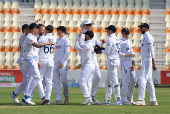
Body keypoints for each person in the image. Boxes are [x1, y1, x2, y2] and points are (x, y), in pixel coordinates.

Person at [22, 23, 54, 106]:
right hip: (29, 59)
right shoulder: (29, 37)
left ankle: (27, 98)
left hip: (33, 60)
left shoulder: (34, 37)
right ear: (34, 29)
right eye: (37, 29)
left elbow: (38, 39)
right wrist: (47, 43)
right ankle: (27, 96)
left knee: (33, 78)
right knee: (37, 77)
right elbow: (37, 45)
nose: (38, 30)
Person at [75, 19, 106, 105]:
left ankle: (91, 96)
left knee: (98, 77)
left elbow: (98, 44)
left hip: (91, 58)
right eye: (87, 25)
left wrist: (102, 43)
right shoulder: (81, 34)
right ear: (84, 26)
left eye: (90, 25)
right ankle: (88, 98)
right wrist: (86, 49)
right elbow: (77, 46)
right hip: (85, 57)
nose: (89, 26)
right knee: (87, 81)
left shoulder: (92, 34)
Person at [132, 23, 158, 106]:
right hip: (145, 60)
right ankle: (153, 100)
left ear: (146, 28)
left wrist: (154, 63)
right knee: (149, 81)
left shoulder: (148, 37)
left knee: (142, 79)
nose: (140, 29)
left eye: (141, 28)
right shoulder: (145, 37)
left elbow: (152, 51)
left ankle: (141, 99)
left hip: (148, 60)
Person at [99, 25, 122, 106]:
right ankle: (107, 100)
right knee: (108, 81)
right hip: (115, 60)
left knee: (114, 81)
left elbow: (107, 52)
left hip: (112, 61)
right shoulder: (116, 39)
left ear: (111, 31)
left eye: (108, 30)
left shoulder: (110, 39)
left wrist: (100, 50)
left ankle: (118, 100)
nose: (106, 31)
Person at [10, 24, 30, 105]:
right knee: (28, 78)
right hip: (23, 59)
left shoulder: (26, 36)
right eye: (29, 29)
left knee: (28, 78)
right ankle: (18, 94)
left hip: (26, 59)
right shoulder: (22, 36)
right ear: (25, 30)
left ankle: (19, 95)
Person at [36, 25, 56, 105]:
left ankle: (43, 97)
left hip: (43, 59)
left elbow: (37, 47)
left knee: (39, 78)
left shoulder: (42, 38)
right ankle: (48, 99)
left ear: (46, 30)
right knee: (48, 80)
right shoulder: (54, 38)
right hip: (51, 59)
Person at [76, 31, 96, 105]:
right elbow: (81, 45)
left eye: (85, 36)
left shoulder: (88, 45)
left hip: (88, 65)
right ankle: (88, 100)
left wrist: (80, 64)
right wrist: (79, 37)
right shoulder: (90, 44)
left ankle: (88, 98)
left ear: (87, 36)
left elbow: (87, 57)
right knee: (88, 83)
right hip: (91, 65)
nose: (84, 37)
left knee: (82, 81)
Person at [119, 28, 137, 105]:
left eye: (128, 33)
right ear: (122, 34)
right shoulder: (120, 42)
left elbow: (132, 54)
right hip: (124, 62)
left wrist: (133, 64)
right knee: (125, 82)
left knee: (134, 81)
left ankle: (129, 97)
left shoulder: (130, 42)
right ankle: (123, 99)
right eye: (126, 33)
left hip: (130, 63)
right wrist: (127, 55)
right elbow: (118, 53)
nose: (127, 35)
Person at [53, 26, 70, 105]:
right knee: (56, 81)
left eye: (57, 30)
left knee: (63, 81)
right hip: (55, 63)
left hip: (62, 64)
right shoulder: (57, 40)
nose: (56, 31)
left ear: (60, 31)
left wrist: (62, 62)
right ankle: (58, 99)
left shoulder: (66, 40)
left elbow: (67, 52)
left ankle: (66, 96)